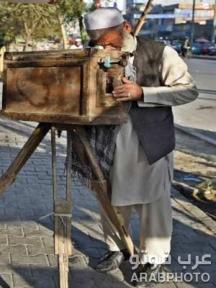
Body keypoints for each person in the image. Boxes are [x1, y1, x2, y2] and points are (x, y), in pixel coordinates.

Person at [82, 8, 198, 285]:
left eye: (108, 41)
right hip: (106, 140)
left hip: (148, 141)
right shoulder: (93, 52)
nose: (103, 47)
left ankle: (152, 259)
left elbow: (188, 90)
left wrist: (142, 92)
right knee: (108, 199)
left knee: (153, 203)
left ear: (126, 27)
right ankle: (117, 248)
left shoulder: (159, 52)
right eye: (97, 41)